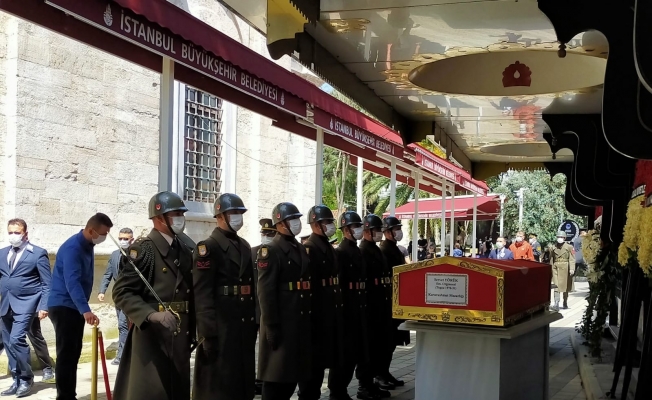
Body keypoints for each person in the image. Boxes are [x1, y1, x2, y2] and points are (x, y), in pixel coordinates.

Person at [112, 192, 196, 400]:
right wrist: (150, 314)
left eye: (181, 214)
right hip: (152, 337)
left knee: (177, 391)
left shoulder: (184, 249)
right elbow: (122, 292)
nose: (180, 219)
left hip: (180, 334)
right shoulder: (144, 250)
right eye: (175, 214)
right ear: (159, 218)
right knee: (152, 392)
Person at [193, 193, 257, 400]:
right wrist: (207, 333)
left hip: (242, 325)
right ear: (220, 216)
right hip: (221, 327)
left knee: (242, 381)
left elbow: (251, 288)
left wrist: (255, 321)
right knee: (219, 386)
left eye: (240, 212)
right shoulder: (208, 248)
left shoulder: (244, 245)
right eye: (233, 213)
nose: (238, 217)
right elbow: (202, 294)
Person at [48, 213, 112, 400]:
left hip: (74, 306)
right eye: (103, 233)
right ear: (91, 230)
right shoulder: (73, 248)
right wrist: (85, 310)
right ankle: (64, 397)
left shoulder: (88, 245)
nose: (105, 237)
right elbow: (72, 282)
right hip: (64, 306)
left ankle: (69, 394)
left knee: (73, 354)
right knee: (66, 354)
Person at [256, 202, 311, 400]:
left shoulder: (299, 248)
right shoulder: (271, 250)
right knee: (275, 376)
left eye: (297, 218)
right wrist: (271, 325)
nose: (297, 222)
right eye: (292, 219)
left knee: (291, 375)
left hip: (297, 321)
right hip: (281, 321)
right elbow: (266, 291)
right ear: (280, 224)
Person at [0, 218, 52, 397]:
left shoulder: (37, 253)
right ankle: (16, 380)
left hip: (27, 304)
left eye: (17, 232)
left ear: (25, 234)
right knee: (8, 343)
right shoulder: (2, 253)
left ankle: (26, 378)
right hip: (5, 304)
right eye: (10, 232)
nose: (13, 235)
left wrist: (44, 306)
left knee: (16, 339)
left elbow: (47, 283)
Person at [298, 205, 343, 400]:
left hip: (330, 309)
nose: (331, 225)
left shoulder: (327, 245)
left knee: (327, 357)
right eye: (327, 222)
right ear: (316, 224)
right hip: (316, 312)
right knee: (314, 364)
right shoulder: (310, 248)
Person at [329, 211, 369, 400]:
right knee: (345, 355)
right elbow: (339, 283)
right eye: (355, 226)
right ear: (345, 230)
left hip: (358, 306)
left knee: (354, 353)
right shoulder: (341, 252)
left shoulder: (356, 249)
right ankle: (337, 391)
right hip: (347, 308)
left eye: (359, 226)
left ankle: (342, 390)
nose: (359, 229)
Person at [357, 214, 392, 399]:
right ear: (367, 231)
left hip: (380, 305)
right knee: (368, 349)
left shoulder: (376, 249)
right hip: (370, 306)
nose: (379, 233)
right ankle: (364, 386)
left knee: (378, 347)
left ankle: (371, 383)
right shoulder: (363, 250)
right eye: (376, 230)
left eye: (380, 229)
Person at [378, 217, 409, 389]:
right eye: (396, 229)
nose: (399, 231)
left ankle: (385, 371)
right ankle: (380, 374)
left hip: (397, 299)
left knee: (393, 340)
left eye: (398, 228)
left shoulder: (395, 248)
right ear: (387, 232)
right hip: (388, 299)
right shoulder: (384, 250)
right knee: (386, 341)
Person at [97, 227, 134, 365]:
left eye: (126, 239)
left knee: (123, 325)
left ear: (132, 240)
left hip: (131, 296)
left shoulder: (136, 254)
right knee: (122, 325)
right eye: (120, 238)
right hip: (118, 296)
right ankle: (127, 353)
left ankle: (122, 356)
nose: (122, 241)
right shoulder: (114, 255)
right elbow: (108, 274)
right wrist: (102, 291)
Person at [251, 218, 277, 395]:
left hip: (267, 309)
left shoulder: (276, 253)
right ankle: (252, 379)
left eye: (270, 234)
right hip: (252, 307)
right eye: (264, 233)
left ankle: (263, 379)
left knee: (266, 349)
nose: (266, 236)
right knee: (250, 347)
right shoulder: (252, 252)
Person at [550, 231, 576, 311]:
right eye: (558, 237)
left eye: (561, 237)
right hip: (555, 267)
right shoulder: (553, 247)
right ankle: (556, 302)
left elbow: (572, 259)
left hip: (566, 268)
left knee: (565, 286)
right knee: (556, 285)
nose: (559, 238)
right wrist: (550, 269)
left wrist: (572, 269)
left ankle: (565, 301)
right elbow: (551, 259)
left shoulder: (569, 247)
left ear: (564, 238)